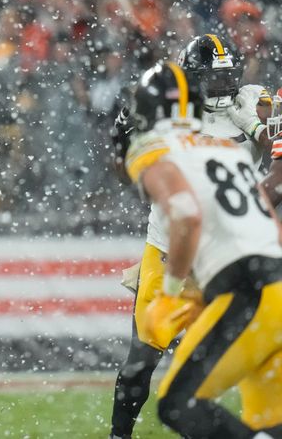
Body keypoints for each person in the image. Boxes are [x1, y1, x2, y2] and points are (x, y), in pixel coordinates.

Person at [109, 34, 273, 439]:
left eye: (228, 77)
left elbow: (181, 206)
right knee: (143, 363)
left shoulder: (250, 104)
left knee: (188, 385)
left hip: (216, 260)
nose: (223, 87)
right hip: (191, 253)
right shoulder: (181, 123)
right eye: (212, 80)